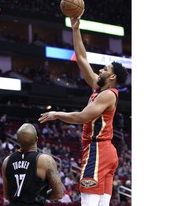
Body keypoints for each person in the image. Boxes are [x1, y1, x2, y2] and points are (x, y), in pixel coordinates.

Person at [38, 13, 128, 206]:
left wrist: (56, 114)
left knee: (88, 202)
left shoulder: (108, 94)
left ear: (112, 77)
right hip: (106, 152)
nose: (101, 70)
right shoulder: (99, 87)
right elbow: (81, 58)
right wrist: (75, 29)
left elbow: (82, 117)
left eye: (105, 69)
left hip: (98, 150)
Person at [1, 123, 64, 206]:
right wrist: (41, 196)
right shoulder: (45, 160)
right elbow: (58, 193)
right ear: (37, 139)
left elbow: (6, 195)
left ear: (18, 141)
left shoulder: (6, 161)